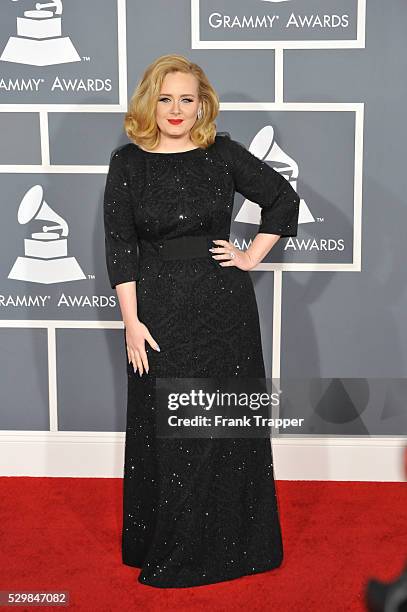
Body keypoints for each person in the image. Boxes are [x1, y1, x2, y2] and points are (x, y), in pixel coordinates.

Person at [103, 53, 300, 588]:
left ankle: (238, 547)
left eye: (186, 99)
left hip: (223, 309)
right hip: (158, 311)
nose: (175, 109)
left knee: (221, 424)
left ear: (201, 104)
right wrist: (131, 321)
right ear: (150, 101)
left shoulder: (223, 155)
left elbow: (282, 200)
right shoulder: (128, 163)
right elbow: (121, 245)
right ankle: (161, 543)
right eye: (165, 98)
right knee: (167, 425)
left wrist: (251, 255)